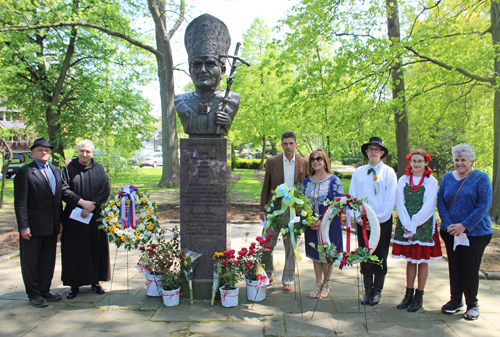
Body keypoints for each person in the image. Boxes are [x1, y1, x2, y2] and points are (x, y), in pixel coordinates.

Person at [437, 143, 492, 320]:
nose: (459, 163)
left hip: (475, 233)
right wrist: (450, 224)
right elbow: (441, 202)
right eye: (456, 160)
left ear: (471, 160)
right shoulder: (447, 177)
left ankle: (472, 304)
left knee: (469, 268)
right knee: (454, 267)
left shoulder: (481, 178)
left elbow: (484, 205)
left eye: (463, 160)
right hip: (451, 232)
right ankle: (455, 301)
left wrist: (464, 226)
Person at [14, 138, 63, 307]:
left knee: (48, 260)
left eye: (47, 150)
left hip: (51, 225)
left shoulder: (56, 171)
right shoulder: (26, 172)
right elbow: (20, 202)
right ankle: (34, 294)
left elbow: (58, 199)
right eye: (40, 150)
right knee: (31, 262)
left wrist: (60, 222)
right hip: (33, 227)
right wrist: (23, 225)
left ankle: (45, 290)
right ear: (33, 153)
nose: (44, 153)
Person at [349, 136, 397, 305]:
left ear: (382, 153)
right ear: (367, 152)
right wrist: (358, 217)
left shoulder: (389, 173)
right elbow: (352, 196)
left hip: (382, 221)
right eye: (371, 150)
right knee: (364, 254)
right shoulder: (359, 172)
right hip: (363, 222)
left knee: (380, 254)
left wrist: (377, 219)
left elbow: (390, 198)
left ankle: (377, 291)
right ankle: (367, 290)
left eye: (377, 150)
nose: (373, 152)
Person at [392, 149, 442, 312]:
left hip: (423, 224)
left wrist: (414, 224)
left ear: (426, 163)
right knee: (410, 260)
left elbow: (429, 206)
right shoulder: (404, 179)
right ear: (410, 162)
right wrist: (406, 224)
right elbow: (400, 202)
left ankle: (419, 296)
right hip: (406, 223)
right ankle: (408, 294)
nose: (417, 164)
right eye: (414, 161)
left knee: (422, 261)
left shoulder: (431, 181)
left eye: (420, 161)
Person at [174, 14, 240, 137]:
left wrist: (227, 123)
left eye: (210, 64)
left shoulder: (232, 100)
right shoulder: (180, 101)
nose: (203, 70)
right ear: (190, 70)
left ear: (222, 70)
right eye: (197, 64)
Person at [61, 139, 111, 299]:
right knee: (75, 250)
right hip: (74, 219)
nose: (84, 154)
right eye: (82, 150)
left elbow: (105, 189)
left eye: (88, 151)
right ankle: (73, 285)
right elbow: (63, 189)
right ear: (77, 151)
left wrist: (92, 206)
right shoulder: (68, 169)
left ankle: (95, 281)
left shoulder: (99, 169)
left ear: (92, 153)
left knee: (95, 249)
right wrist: (81, 203)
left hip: (94, 217)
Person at [260, 131, 309, 293]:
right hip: (274, 210)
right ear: (281, 145)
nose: (288, 146)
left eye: (291, 143)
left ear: (296, 144)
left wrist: (306, 210)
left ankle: (288, 279)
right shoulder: (272, 161)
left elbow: (307, 188)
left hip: (294, 211)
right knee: (267, 244)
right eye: (285, 143)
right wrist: (262, 209)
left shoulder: (304, 162)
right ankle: (267, 274)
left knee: (291, 246)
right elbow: (266, 186)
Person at [302, 149, 344, 299]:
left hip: (330, 225)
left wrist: (323, 221)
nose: (316, 162)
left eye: (319, 158)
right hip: (312, 226)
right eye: (313, 159)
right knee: (315, 255)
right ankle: (318, 283)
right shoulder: (306, 182)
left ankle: (326, 284)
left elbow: (339, 204)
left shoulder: (334, 180)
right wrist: (308, 220)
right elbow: (301, 204)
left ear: (325, 160)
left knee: (327, 255)